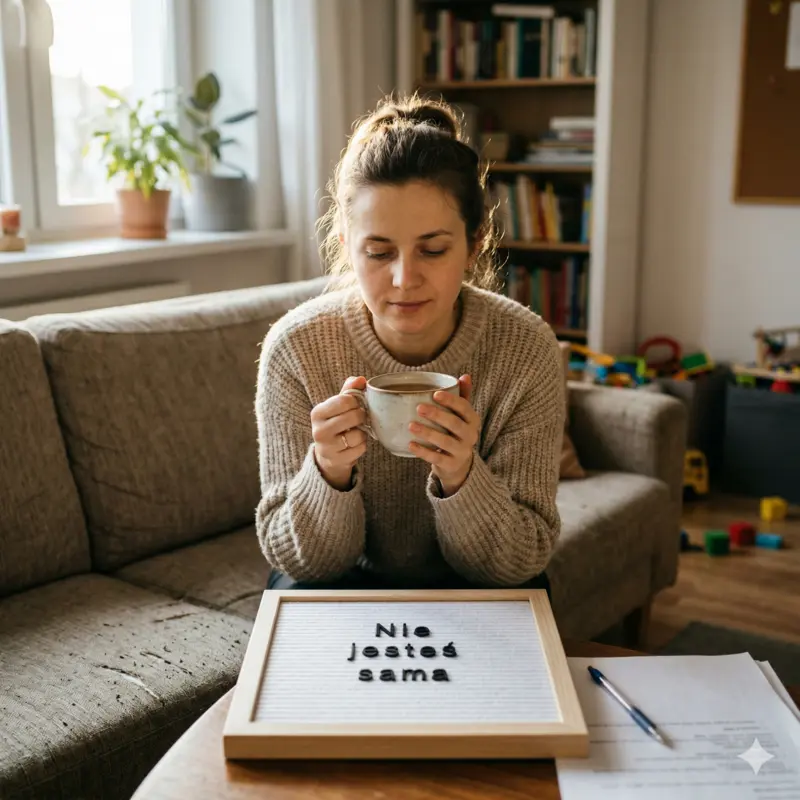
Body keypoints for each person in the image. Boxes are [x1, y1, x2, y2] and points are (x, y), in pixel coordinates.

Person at [255, 94, 565, 592]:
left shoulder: (525, 348)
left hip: (474, 584)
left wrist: (462, 475)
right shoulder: (296, 349)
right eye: (379, 253)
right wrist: (329, 472)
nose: (404, 279)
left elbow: (521, 560)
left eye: (433, 250)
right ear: (346, 246)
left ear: (475, 244)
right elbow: (301, 564)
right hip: (344, 581)